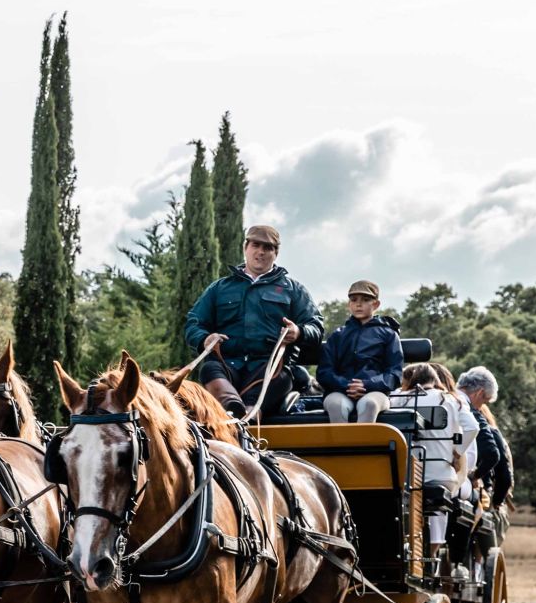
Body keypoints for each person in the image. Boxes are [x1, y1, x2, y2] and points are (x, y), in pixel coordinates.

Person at [184, 224, 324, 418]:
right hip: (227, 365)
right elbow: (194, 322)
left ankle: (246, 419)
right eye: (255, 245)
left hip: (271, 367)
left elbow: (315, 325)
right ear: (245, 248)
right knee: (209, 369)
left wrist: (298, 332)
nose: (260, 252)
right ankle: (232, 410)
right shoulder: (219, 288)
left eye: (267, 248)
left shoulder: (293, 290)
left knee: (281, 379)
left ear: (276, 253)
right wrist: (204, 339)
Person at [391, 363, 463, 552]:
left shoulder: (396, 398)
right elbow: (460, 434)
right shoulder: (447, 400)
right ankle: (433, 553)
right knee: (440, 505)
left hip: (403, 473)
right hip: (438, 471)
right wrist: (456, 454)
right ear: (434, 379)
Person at [317, 280, 403, 423]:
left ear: (376, 304)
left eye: (365, 300)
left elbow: (395, 374)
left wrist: (367, 385)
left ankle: (365, 445)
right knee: (336, 405)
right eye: (354, 300)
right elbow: (324, 372)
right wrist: (347, 385)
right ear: (349, 304)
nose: (358, 304)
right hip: (339, 391)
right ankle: (341, 445)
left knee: (369, 404)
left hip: (376, 392)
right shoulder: (338, 336)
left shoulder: (389, 334)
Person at [458, 367, 513, 510]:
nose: (482, 408)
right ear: (480, 393)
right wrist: (474, 476)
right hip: (460, 485)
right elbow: (492, 455)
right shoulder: (472, 414)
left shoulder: (442, 399)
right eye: (485, 402)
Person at [430, 362, 479, 497]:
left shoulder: (403, 399)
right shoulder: (455, 402)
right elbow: (473, 430)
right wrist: (457, 454)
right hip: (446, 473)